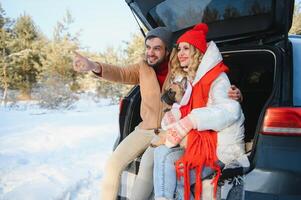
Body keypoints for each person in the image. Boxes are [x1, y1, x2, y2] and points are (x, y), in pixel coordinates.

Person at [73, 27, 242, 200]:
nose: (150, 53)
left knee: (147, 164)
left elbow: (205, 84)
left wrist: (236, 93)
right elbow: (121, 72)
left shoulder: (180, 68)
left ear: (168, 50)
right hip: (145, 128)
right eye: (148, 47)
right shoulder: (142, 68)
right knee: (112, 164)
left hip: (170, 131)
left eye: (157, 48)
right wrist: (93, 66)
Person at [153, 23, 245, 200]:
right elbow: (182, 108)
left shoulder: (218, 78)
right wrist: (173, 117)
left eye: (186, 48)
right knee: (160, 153)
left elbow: (230, 110)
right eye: (179, 49)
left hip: (220, 148)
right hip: (196, 142)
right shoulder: (190, 79)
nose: (180, 53)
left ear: (197, 51)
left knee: (180, 176)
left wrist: (189, 121)